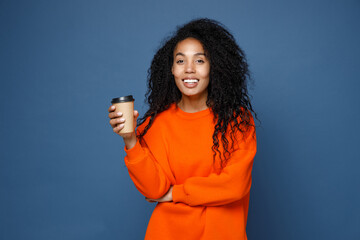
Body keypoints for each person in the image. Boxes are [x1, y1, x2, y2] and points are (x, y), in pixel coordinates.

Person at [108, 18, 257, 240]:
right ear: (171, 69)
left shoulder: (238, 122)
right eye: (180, 61)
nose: (189, 69)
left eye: (199, 60)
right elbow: (154, 191)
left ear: (213, 66)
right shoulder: (158, 123)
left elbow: (235, 185)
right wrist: (130, 141)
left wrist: (175, 193)